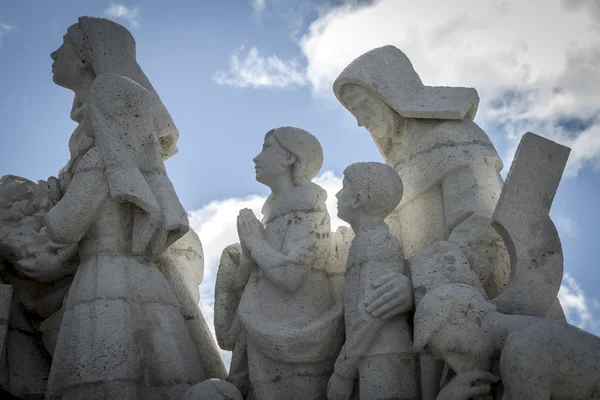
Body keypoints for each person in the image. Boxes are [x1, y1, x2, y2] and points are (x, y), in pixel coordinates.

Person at [43, 17, 208, 399]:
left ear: (87, 58)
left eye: (65, 45)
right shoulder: (112, 152)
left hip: (105, 282)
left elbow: (65, 226)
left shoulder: (100, 156)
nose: (55, 54)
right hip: (139, 282)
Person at [224, 126, 344, 399]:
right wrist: (247, 253)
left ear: (290, 158)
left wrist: (255, 242)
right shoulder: (274, 213)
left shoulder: (308, 208)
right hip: (262, 330)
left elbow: (291, 275)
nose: (256, 158)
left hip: (299, 338)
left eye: (266, 148)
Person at [327, 162, 419, 400]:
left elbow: (371, 313)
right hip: (374, 354)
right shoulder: (367, 240)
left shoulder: (375, 242)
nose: (337, 194)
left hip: (382, 356)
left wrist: (343, 370)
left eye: (343, 187)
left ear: (358, 199)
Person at [414, 283, 600, 400]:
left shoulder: (522, 351)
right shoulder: (532, 333)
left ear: (476, 318)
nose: (455, 366)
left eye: (454, 348)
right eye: (445, 359)